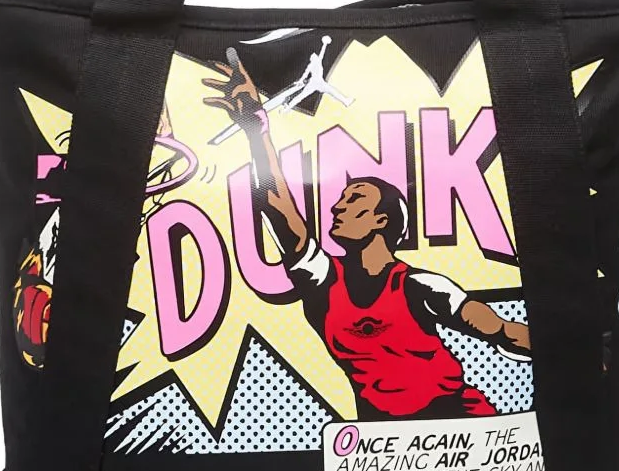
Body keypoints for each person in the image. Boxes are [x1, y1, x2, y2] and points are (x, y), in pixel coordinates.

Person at [204, 51, 532, 420]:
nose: (336, 208)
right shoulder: (323, 280)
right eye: (341, 199)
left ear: (381, 220)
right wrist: (256, 131)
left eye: (354, 199)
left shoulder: (420, 286)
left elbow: (500, 330)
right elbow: (278, 207)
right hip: (380, 439)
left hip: (461, 424)